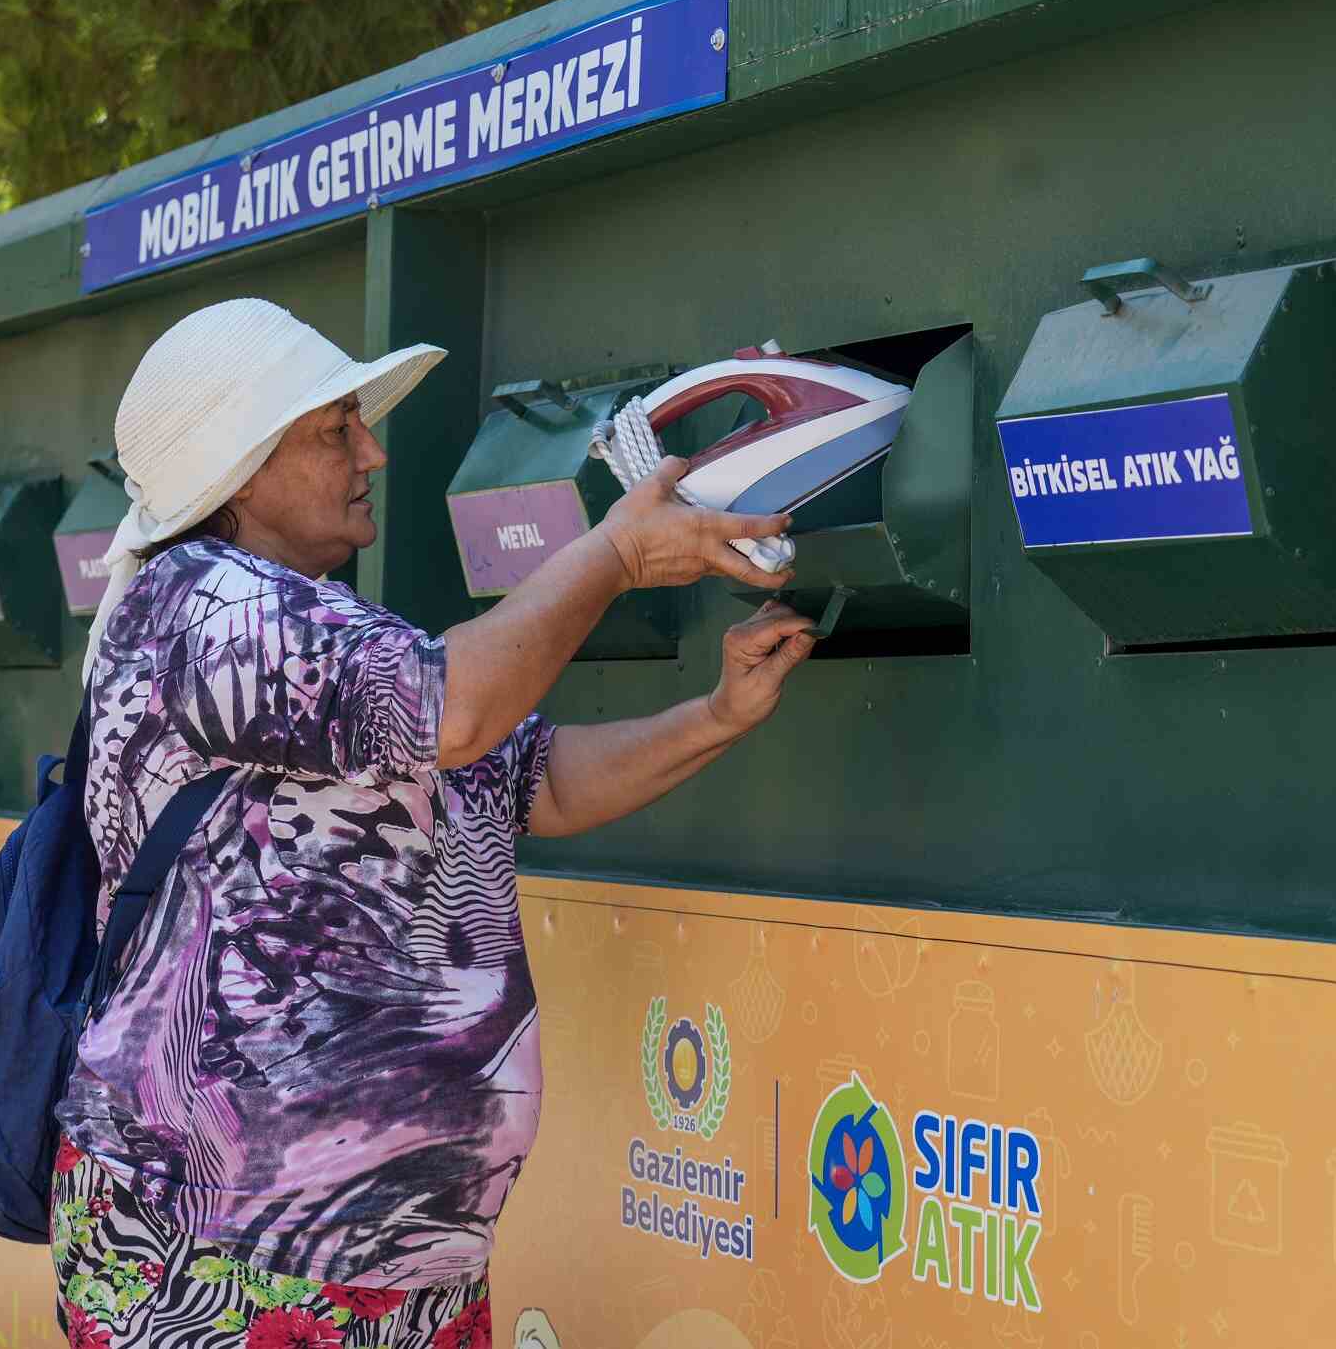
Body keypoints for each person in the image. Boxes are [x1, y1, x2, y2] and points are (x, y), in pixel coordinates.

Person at [52, 299, 815, 1348]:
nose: (371, 448)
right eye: (333, 430)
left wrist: (717, 715)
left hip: (397, 1263)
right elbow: (458, 708)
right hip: (223, 1255)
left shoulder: (320, 625)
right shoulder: (200, 604)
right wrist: (615, 556)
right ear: (238, 466)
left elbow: (533, 780)